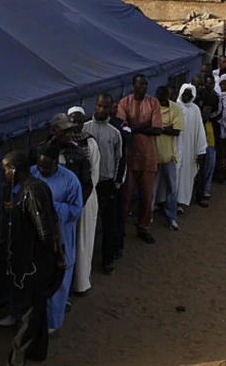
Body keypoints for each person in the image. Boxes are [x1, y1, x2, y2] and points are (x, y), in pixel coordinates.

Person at [2, 151, 66, 366]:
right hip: (36, 261)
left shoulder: (31, 193)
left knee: (28, 311)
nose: (5, 174)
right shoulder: (36, 188)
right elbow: (53, 221)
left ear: (15, 170)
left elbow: (44, 230)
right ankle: (37, 351)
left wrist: (55, 253)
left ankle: (18, 356)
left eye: (6, 170)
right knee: (37, 308)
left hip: (33, 263)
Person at [32, 143, 82, 333]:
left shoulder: (71, 181)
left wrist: (51, 208)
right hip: (37, 236)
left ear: (56, 164)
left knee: (59, 278)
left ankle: (53, 321)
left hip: (61, 235)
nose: (42, 171)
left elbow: (76, 210)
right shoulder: (33, 173)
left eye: (47, 167)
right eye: (40, 166)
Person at [117, 74, 162, 245]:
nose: (144, 86)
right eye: (140, 84)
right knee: (126, 196)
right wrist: (145, 125)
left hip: (149, 157)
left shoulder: (153, 103)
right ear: (133, 85)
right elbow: (123, 128)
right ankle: (121, 228)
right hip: (130, 157)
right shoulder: (124, 103)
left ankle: (143, 228)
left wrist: (134, 127)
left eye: (145, 84)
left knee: (146, 196)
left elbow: (158, 130)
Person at [61, 109, 100, 296]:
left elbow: (93, 175)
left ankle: (81, 283)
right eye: (72, 122)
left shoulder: (89, 142)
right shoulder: (61, 145)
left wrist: (80, 200)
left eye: (79, 121)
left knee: (83, 242)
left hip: (86, 198)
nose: (76, 125)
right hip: (65, 202)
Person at [83, 94, 123, 275]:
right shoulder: (84, 128)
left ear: (110, 108)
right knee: (86, 224)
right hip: (88, 184)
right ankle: (85, 264)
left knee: (108, 223)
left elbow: (121, 159)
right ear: (95, 105)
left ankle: (108, 259)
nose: (101, 110)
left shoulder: (115, 132)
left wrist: (117, 182)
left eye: (105, 107)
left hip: (107, 183)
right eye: (99, 106)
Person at [153, 86, 184, 231]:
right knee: (151, 188)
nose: (161, 102)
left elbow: (176, 131)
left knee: (172, 188)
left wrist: (160, 128)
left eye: (164, 100)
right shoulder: (152, 107)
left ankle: (171, 217)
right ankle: (148, 215)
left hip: (169, 156)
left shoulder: (176, 109)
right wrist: (165, 127)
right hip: (152, 155)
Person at [175, 84, 207, 210]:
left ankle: (179, 203)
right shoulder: (175, 107)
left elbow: (200, 131)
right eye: (185, 94)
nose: (186, 97)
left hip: (189, 149)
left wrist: (200, 150)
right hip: (175, 147)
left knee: (185, 176)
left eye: (189, 95)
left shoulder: (195, 109)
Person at [194, 75, 220, 207]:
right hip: (199, 134)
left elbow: (214, 114)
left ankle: (205, 191)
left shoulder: (214, 97)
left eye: (212, 83)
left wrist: (207, 117)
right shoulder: (196, 98)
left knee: (208, 165)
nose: (210, 85)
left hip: (210, 134)